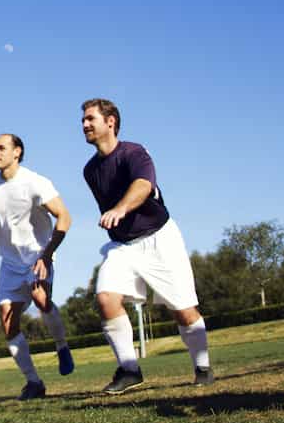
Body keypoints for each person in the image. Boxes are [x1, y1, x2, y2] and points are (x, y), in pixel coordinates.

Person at [80, 98, 214, 392]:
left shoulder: (134, 152)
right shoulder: (90, 170)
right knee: (105, 299)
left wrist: (120, 209)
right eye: (83, 121)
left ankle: (202, 367)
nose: (85, 125)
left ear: (110, 122)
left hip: (160, 239)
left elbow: (143, 185)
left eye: (91, 119)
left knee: (185, 311)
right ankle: (129, 370)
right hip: (123, 247)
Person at [0, 133, 74, 400]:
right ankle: (34, 383)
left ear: (17, 152)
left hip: (37, 255)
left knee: (41, 298)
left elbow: (64, 216)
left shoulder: (35, 182)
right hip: (9, 264)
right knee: (8, 323)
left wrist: (47, 254)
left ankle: (62, 346)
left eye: (1, 148)